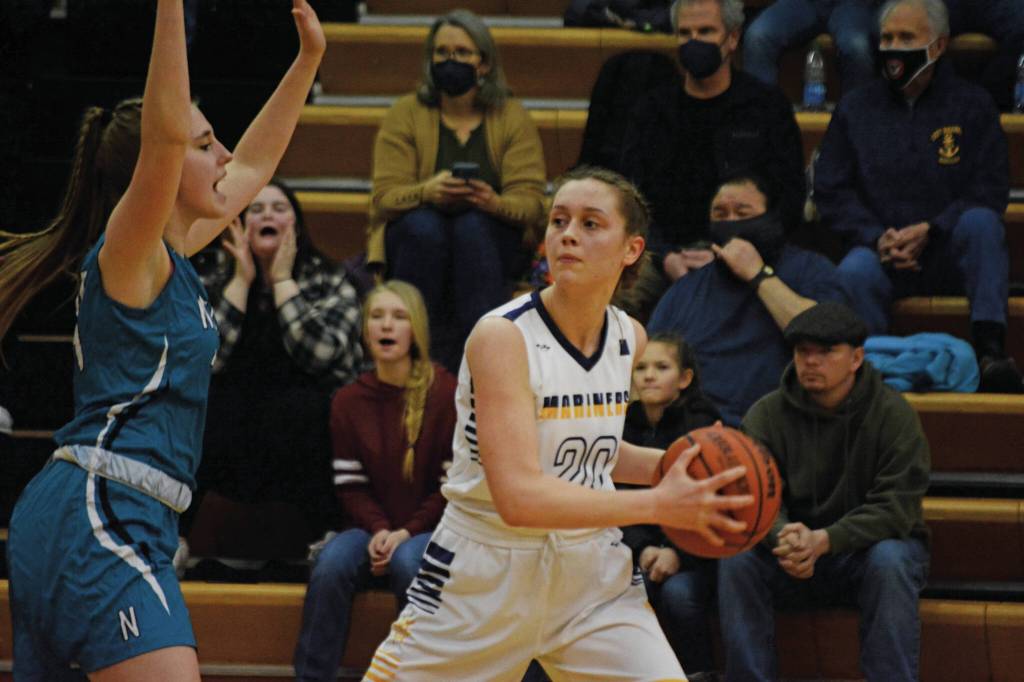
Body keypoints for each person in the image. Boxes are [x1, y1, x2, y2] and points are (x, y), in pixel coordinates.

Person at [0, 1, 325, 679]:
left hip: (113, 513)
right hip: (98, 509)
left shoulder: (177, 250)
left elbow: (257, 162)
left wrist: (308, 62)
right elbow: (164, 132)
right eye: (205, 143)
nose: (223, 153)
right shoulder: (129, 251)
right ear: (168, 158)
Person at [362, 166, 753, 681]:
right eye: (559, 220)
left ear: (631, 249)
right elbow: (519, 495)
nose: (568, 233)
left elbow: (594, 450)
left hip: (590, 574)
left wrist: (689, 470)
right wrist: (659, 502)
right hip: (484, 574)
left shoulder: (629, 336)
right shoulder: (501, 336)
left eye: (591, 224)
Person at [813, 0, 1022, 393]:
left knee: (982, 225)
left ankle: (991, 355)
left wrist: (933, 228)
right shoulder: (855, 107)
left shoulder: (973, 105)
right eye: (888, 38)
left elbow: (990, 189)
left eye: (907, 38)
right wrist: (876, 236)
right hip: (881, 251)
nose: (894, 48)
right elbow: (831, 189)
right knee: (852, 271)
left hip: (949, 248)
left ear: (939, 46)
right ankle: (868, 377)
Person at [718, 301, 931, 682]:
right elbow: (752, 495)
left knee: (892, 559)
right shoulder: (765, 415)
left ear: (856, 359)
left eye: (827, 352)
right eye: (803, 352)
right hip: (792, 553)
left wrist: (825, 540)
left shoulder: (894, 414)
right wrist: (783, 536)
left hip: (862, 554)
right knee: (738, 559)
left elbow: (896, 507)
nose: (812, 362)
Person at [292, 280, 455, 682]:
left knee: (408, 563)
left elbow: (451, 488)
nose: (387, 326)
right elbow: (351, 486)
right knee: (330, 564)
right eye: (377, 316)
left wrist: (404, 533)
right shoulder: (348, 401)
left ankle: (412, 675)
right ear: (365, 330)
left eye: (399, 317)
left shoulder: (447, 393)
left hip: (430, 530)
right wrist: (382, 529)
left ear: (415, 329)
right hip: (369, 528)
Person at [369, 9, 547, 373]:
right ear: (430, 60)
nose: (451, 61)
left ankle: (482, 362)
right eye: (442, 53)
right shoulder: (405, 113)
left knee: (471, 227)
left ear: (484, 63)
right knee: (426, 227)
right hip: (418, 237)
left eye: (463, 53)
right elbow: (385, 198)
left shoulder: (511, 115)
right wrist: (427, 192)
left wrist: (491, 201)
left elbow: (531, 205)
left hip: (489, 238)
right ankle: (416, 363)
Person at [191, 178, 363, 546]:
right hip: (228, 421)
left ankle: (328, 536)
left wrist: (283, 282)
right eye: (256, 209)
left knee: (309, 409)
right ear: (237, 225)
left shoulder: (328, 277)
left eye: (279, 208)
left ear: (296, 227)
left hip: (302, 422)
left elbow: (326, 358)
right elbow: (202, 362)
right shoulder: (209, 275)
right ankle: (175, 539)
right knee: (195, 409)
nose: (268, 214)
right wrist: (240, 282)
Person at [617, 0, 805, 322]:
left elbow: (789, 199)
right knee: (618, 293)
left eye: (705, 31)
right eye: (685, 33)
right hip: (665, 255)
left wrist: (734, 252)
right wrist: (665, 257)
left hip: (750, 252)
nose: (694, 42)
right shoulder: (652, 110)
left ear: (732, 39)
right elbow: (630, 197)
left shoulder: (766, 107)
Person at [648, 174, 847, 425]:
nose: (731, 223)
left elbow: (825, 335)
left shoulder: (811, 270)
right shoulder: (687, 288)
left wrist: (757, 275)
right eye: (720, 214)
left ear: (771, 218)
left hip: (778, 429)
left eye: (743, 214)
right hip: (693, 430)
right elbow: (648, 363)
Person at [620, 332, 721, 679]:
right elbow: (616, 498)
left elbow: (713, 504)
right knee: (633, 592)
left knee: (680, 596)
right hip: (641, 552)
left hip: (699, 556)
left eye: (661, 367)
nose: (648, 375)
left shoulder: (703, 422)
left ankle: (701, 674)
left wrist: (676, 551)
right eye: (641, 368)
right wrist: (644, 547)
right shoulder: (623, 424)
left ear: (685, 378)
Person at [743, 0, 882, 94]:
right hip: (803, 4)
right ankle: (758, 122)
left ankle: (857, 124)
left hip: (853, 5)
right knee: (758, 35)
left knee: (857, 46)